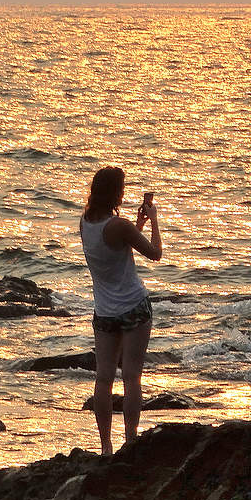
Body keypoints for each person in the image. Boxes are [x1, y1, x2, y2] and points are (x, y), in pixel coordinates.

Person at [80, 166, 162, 455]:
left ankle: (105, 447)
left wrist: (134, 226)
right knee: (131, 376)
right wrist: (152, 221)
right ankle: (130, 441)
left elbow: (113, 249)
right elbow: (155, 253)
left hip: (104, 312)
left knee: (103, 379)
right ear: (116, 192)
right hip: (133, 306)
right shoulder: (120, 225)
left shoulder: (86, 222)